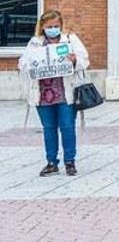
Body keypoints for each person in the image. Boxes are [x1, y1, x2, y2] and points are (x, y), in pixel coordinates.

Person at [19, 10, 90, 177]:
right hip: (43, 94)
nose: (53, 29)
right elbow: (22, 62)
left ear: (61, 25)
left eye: (56, 26)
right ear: (42, 26)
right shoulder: (35, 43)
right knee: (49, 128)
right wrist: (28, 65)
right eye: (49, 26)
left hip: (65, 93)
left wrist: (74, 60)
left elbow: (84, 60)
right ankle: (51, 162)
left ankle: (70, 161)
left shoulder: (70, 40)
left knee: (67, 127)